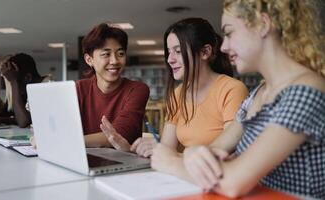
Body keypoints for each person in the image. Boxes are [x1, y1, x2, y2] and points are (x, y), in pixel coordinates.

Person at [158, 0, 325, 199]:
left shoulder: (306, 90)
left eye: (229, 33)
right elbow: (213, 151)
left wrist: (168, 161)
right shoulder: (259, 93)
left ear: (263, 25)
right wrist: (195, 154)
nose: (224, 47)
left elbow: (234, 182)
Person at [105, 18, 248, 158]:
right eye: (169, 51)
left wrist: (171, 154)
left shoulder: (232, 90)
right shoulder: (178, 94)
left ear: (205, 52)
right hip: (185, 174)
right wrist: (129, 150)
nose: (169, 59)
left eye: (178, 51)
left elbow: (229, 153)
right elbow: (167, 149)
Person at [76, 23, 149, 149]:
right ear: (89, 60)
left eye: (120, 54)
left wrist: (65, 141)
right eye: (106, 54)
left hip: (125, 164)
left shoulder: (137, 90)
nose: (115, 61)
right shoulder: (79, 88)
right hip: (82, 162)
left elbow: (117, 136)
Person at [0, 53, 52, 127]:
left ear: (28, 78)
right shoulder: (35, 88)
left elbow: (24, 122)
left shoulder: (47, 88)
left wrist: (13, 82)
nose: (12, 87)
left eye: (15, 83)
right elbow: (28, 118)